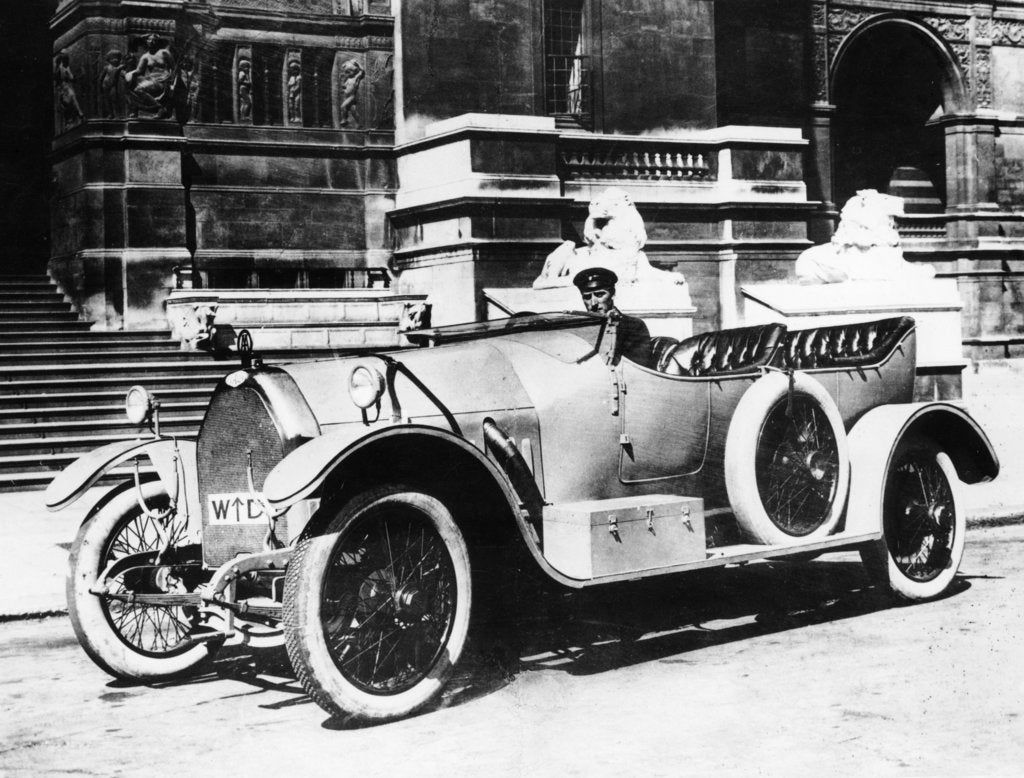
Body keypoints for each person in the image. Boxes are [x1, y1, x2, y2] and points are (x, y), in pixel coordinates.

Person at [573, 266, 652, 367]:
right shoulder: (578, 328)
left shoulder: (633, 326)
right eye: (587, 297)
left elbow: (636, 368)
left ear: (613, 294)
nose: (593, 303)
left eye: (600, 295)